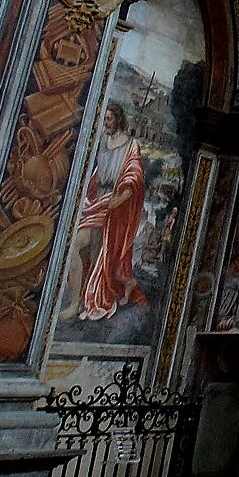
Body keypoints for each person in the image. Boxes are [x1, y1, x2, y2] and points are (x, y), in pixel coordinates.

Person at [63, 101, 147, 324]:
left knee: (101, 255)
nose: (105, 123)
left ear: (118, 119)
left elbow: (134, 177)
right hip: (96, 202)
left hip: (114, 206)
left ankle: (90, 297)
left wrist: (117, 200)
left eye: (108, 118)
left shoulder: (131, 145)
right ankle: (75, 301)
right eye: (104, 119)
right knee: (77, 247)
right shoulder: (102, 141)